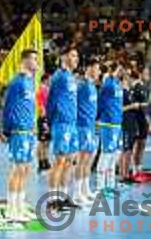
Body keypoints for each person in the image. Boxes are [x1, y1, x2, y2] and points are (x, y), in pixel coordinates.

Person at [2, 49, 38, 222]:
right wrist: (6, 130)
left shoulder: (31, 82)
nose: (37, 64)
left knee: (25, 169)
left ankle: (20, 205)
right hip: (18, 131)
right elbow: (8, 107)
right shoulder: (16, 82)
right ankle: (11, 208)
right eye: (34, 60)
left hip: (29, 131)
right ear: (25, 61)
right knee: (17, 169)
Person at [46, 45, 79, 212]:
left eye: (77, 56)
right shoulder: (59, 77)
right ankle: (52, 200)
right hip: (61, 124)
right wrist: (51, 121)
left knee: (69, 162)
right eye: (73, 56)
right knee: (59, 161)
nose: (76, 59)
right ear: (64, 57)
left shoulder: (71, 77)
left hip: (72, 124)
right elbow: (50, 101)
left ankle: (64, 197)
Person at [73, 57, 101, 204]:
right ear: (89, 68)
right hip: (82, 126)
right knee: (82, 160)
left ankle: (86, 189)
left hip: (90, 126)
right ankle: (77, 193)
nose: (99, 72)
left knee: (89, 160)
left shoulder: (92, 86)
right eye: (97, 68)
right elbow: (74, 105)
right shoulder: (82, 86)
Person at [96, 61, 124, 195]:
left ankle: (110, 185)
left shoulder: (118, 84)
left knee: (113, 155)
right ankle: (101, 187)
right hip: (108, 123)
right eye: (120, 68)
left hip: (117, 122)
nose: (122, 71)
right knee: (106, 153)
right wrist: (99, 117)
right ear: (115, 68)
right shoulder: (107, 84)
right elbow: (100, 102)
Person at [130, 67, 149, 179]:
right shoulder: (136, 87)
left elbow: (147, 106)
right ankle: (134, 169)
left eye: (148, 73)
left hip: (145, 121)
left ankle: (139, 168)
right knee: (136, 145)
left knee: (142, 144)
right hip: (137, 120)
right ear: (140, 74)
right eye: (145, 73)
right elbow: (134, 104)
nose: (147, 75)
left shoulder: (146, 87)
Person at [36, 73, 51, 172]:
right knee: (42, 141)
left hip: (48, 117)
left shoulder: (47, 89)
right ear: (45, 79)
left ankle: (45, 159)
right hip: (43, 117)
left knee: (47, 142)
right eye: (49, 79)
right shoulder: (41, 89)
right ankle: (41, 162)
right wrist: (43, 114)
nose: (51, 81)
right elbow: (40, 103)